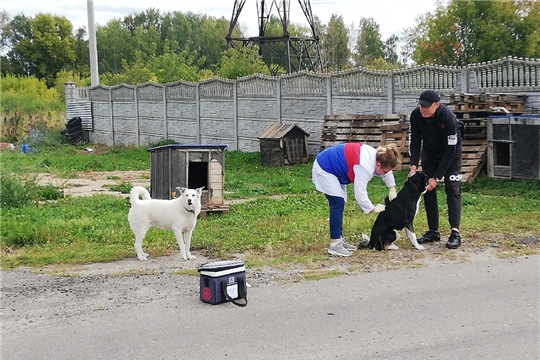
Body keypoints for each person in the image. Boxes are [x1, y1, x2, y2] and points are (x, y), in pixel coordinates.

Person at [312, 142, 400, 257]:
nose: (385, 174)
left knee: (340, 202)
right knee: (337, 203)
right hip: (325, 167)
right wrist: (372, 208)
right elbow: (360, 193)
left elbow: (387, 171)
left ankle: (339, 239)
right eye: (384, 171)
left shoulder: (378, 156)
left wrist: (392, 187)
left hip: (334, 168)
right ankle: (335, 245)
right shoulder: (364, 166)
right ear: (378, 165)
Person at [408, 90, 463, 250]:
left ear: (436, 105)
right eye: (421, 106)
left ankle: (455, 232)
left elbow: (450, 152)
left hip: (451, 156)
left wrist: (437, 177)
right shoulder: (415, 115)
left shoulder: (448, 118)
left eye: (426, 107)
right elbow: (415, 142)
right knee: (428, 189)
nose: (423, 109)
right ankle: (433, 231)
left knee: (452, 190)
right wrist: (413, 166)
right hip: (430, 155)